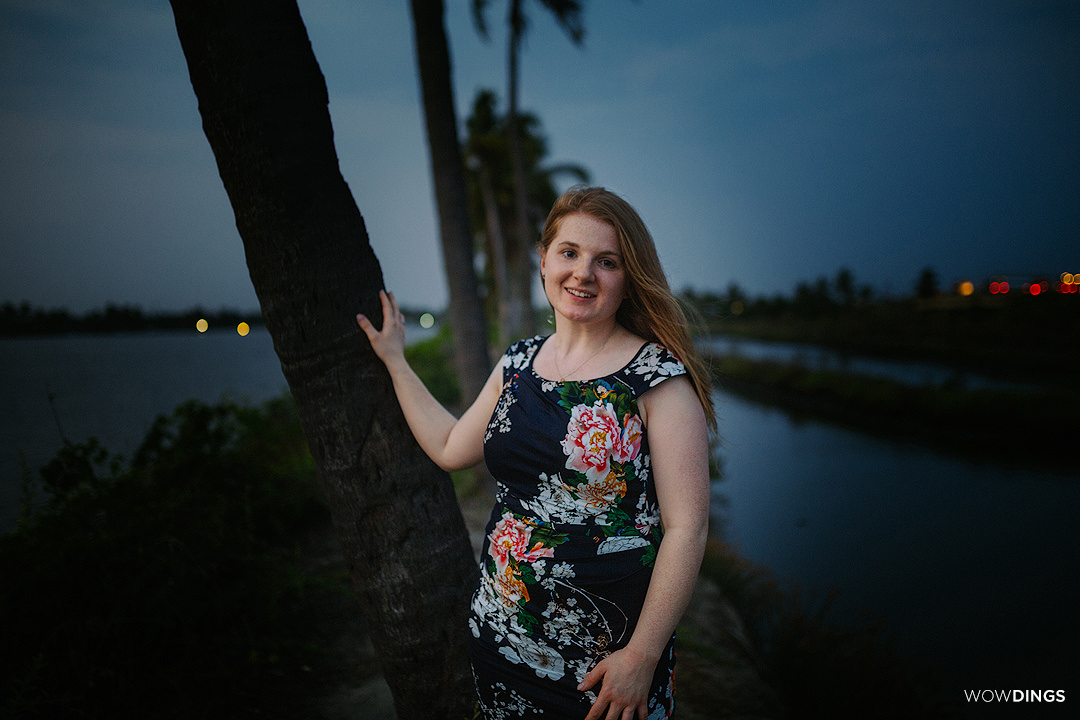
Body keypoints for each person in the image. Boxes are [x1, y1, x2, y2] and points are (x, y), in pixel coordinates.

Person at [357, 186, 715, 720]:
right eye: (569, 252)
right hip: (501, 637)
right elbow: (451, 447)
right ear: (544, 260)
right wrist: (396, 361)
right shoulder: (518, 362)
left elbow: (688, 529)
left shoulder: (657, 379)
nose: (583, 273)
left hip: (607, 664)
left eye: (607, 261)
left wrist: (642, 655)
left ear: (628, 279)